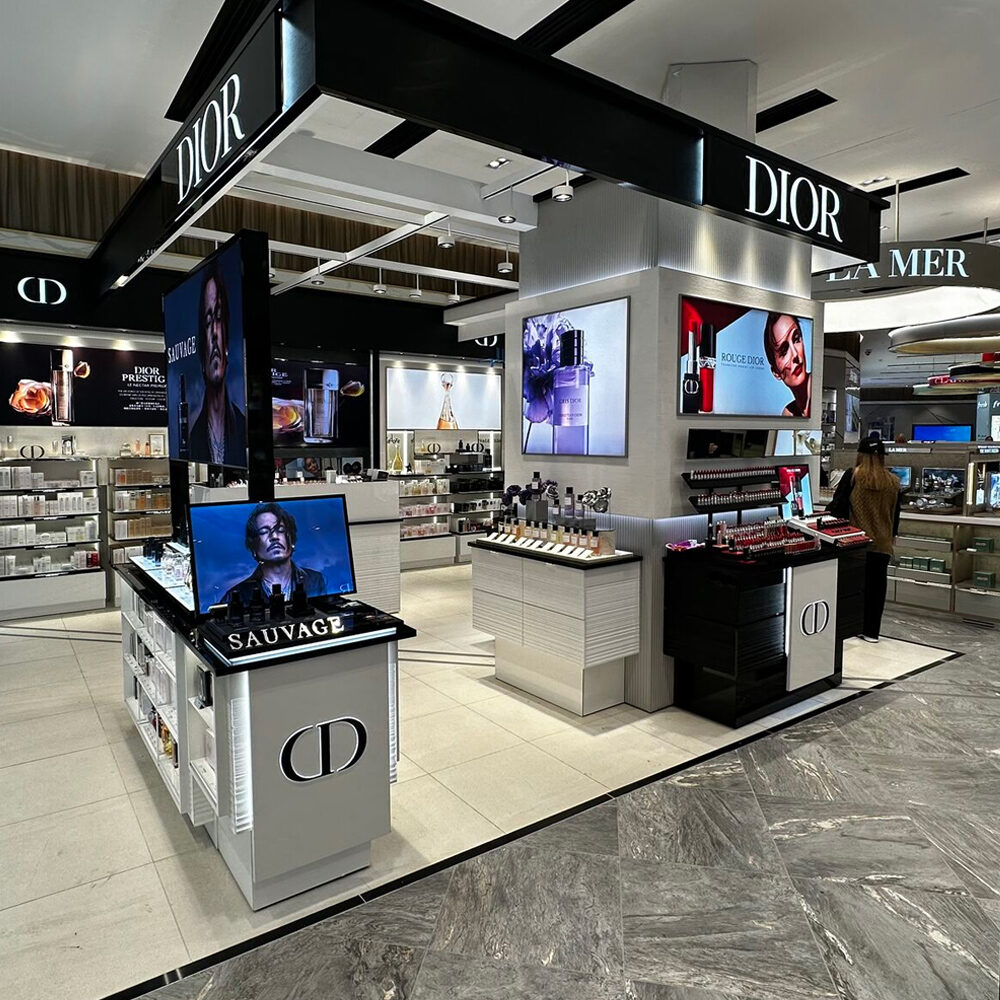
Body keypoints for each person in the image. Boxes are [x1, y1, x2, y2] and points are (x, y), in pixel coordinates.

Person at [829, 439, 901, 643]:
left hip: (857, 543)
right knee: (877, 588)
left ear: (860, 454)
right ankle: (872, 632)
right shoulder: (894, 482)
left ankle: (850, 627)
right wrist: (892, 536)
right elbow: (895, 514)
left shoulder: (853, 476)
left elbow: (838, 507)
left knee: (853, 587)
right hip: (883, 543)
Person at [188, 264, 247, 466]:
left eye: (219, 318)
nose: (214, 332)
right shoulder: (194, 437)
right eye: (208, 321)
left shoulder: (243, 428)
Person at [224, 502, 326, 605]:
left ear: (291, 539)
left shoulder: (315, 580)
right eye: (264, 532)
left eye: (280, 530)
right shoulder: (236, 595)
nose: (274, 537)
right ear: (253, 546)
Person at [763, 313, 811, 417]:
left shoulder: (821, 391)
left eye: (796, 339)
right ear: (776, 372)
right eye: (784, 351)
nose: (795, 354)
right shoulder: (788, 414)